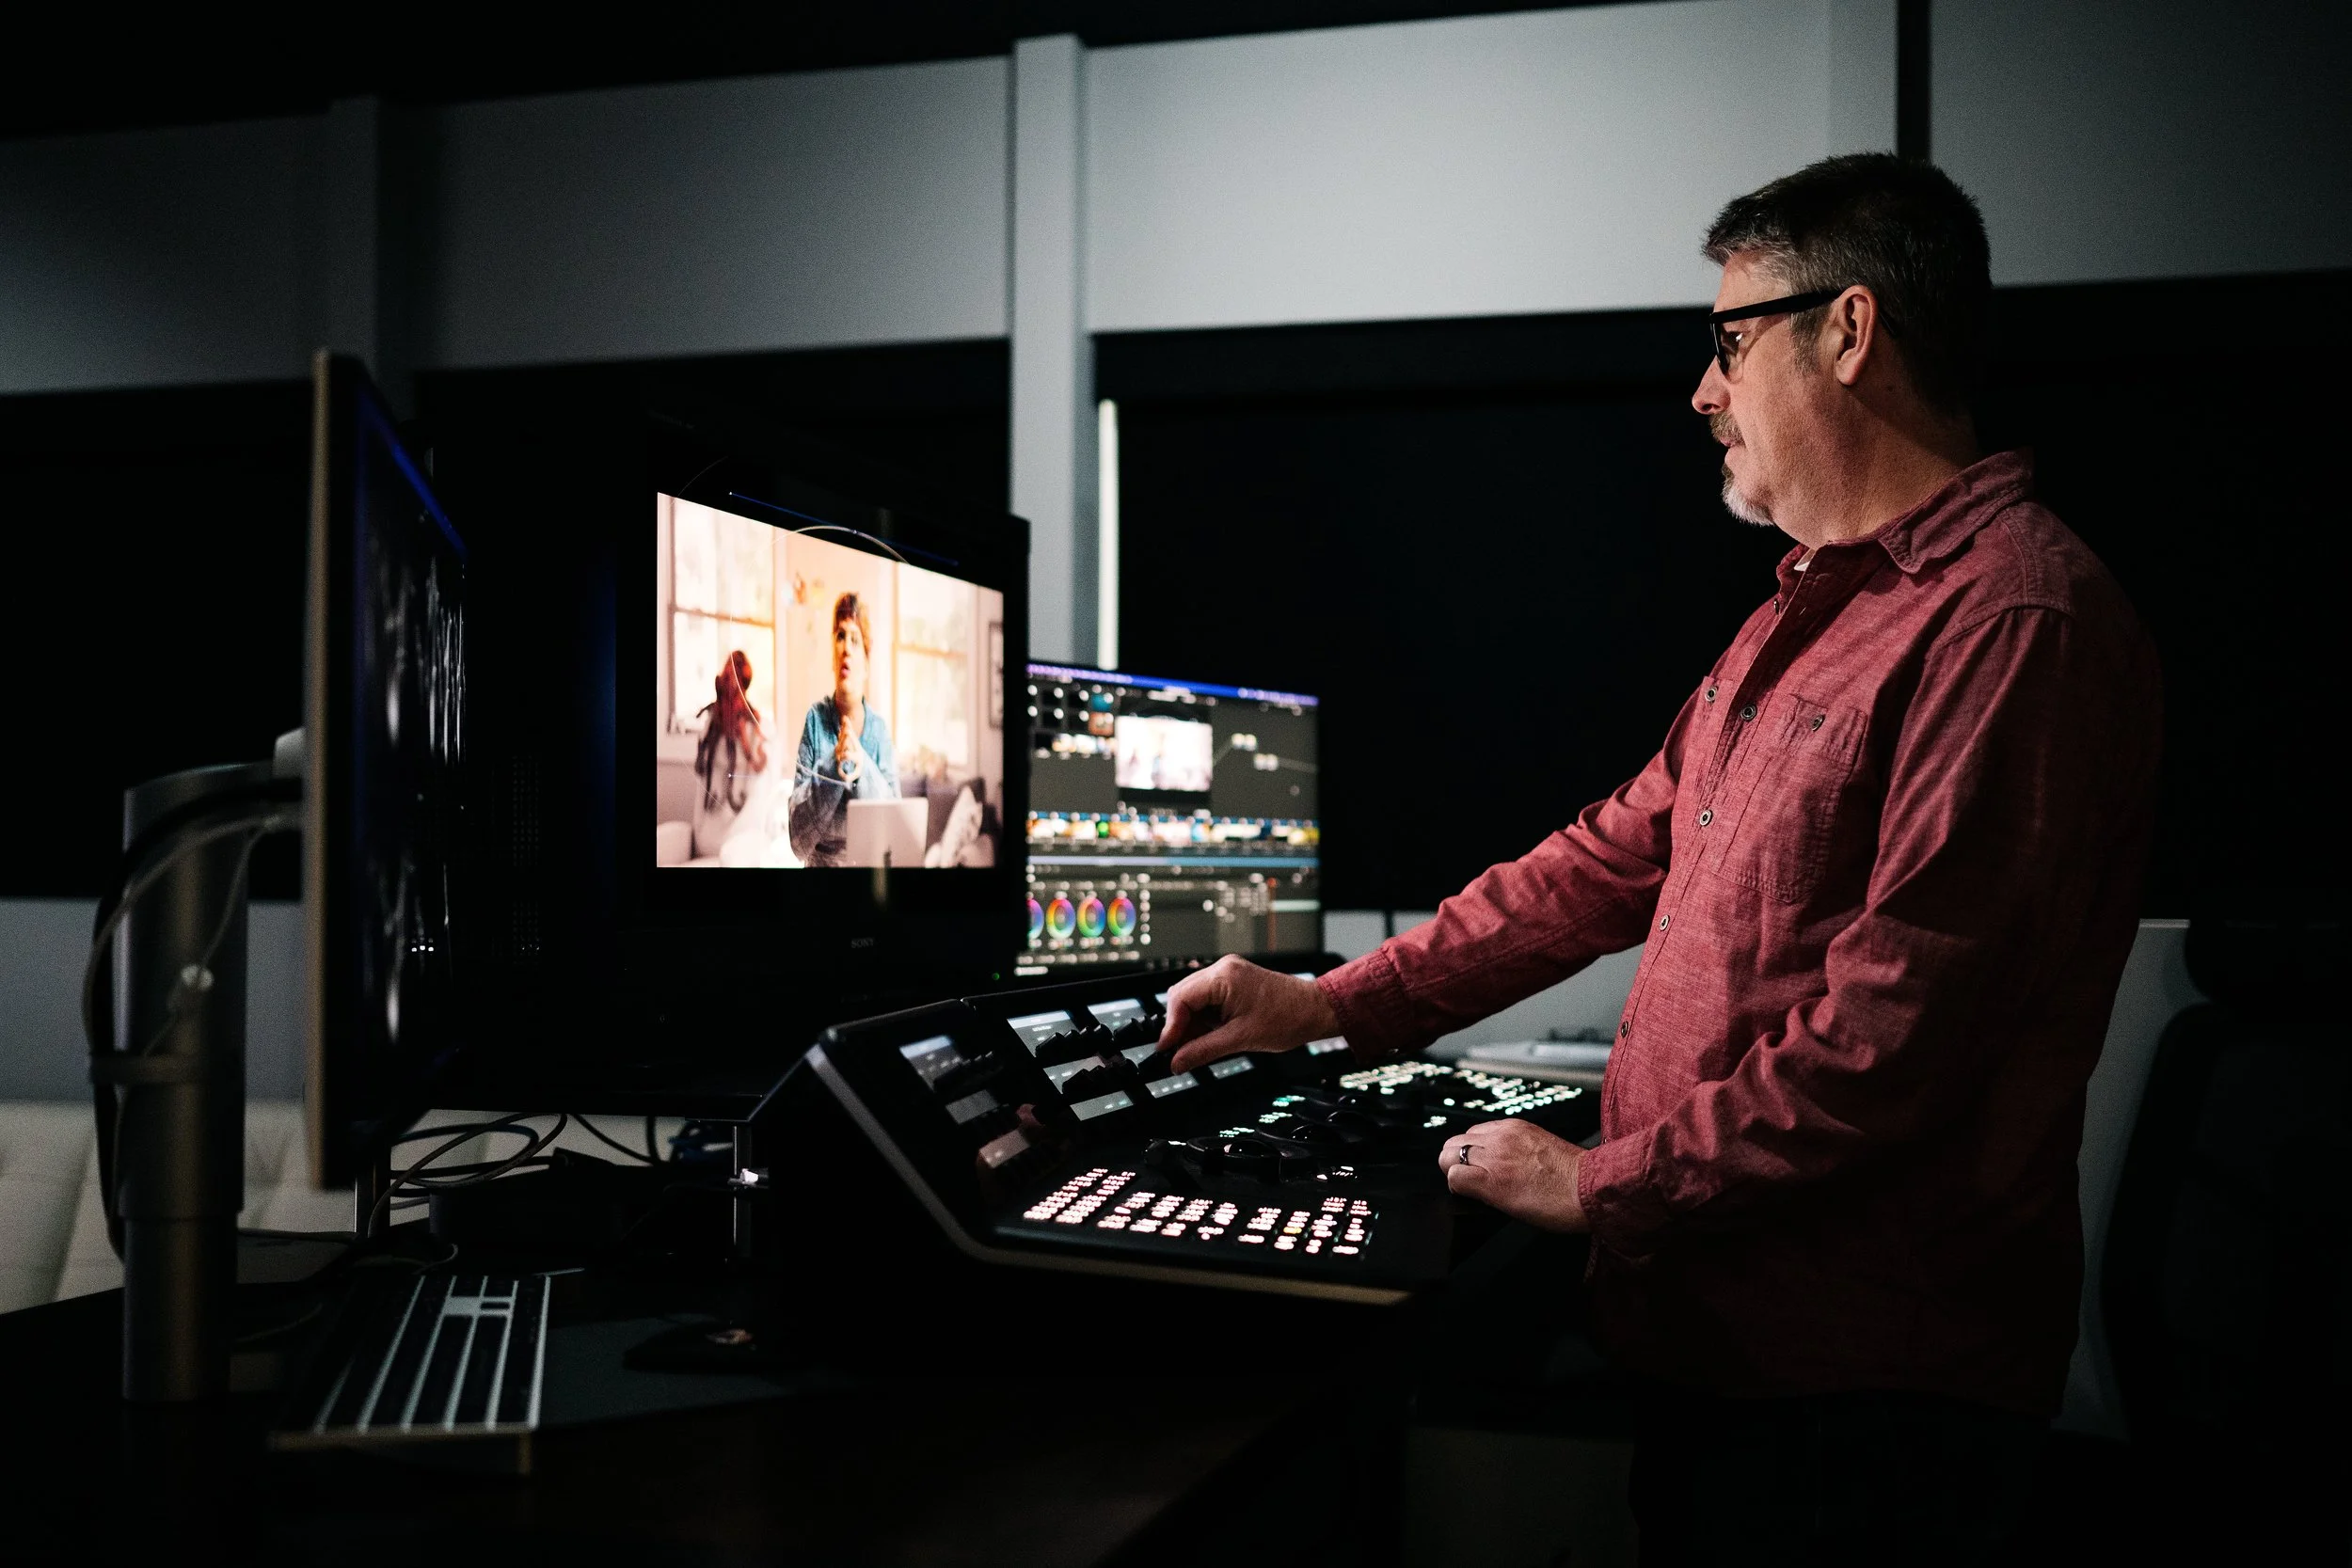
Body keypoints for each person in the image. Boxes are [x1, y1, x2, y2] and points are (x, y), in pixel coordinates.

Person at [1156, 154, 2162, 1563]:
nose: (1703, 392)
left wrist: (1595, 1183)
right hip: (1716, 1347)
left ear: (1851, 332)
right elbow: (1598, 861)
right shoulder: (1794, 619)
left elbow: (1893, 1041)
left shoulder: (2014, 623)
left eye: (1730, 341)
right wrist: (1328, 1002)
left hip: (1861, 1398)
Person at [788, 591, 899, 866]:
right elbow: (797, 842)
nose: (846, 648)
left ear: (867, 661)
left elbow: (896, 831)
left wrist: (862, 766)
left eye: (855, 639)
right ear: (833, 653)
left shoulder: (880, 732)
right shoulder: (815, 720)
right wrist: (833, 764)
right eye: (840, 636)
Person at [690, 649, 782, 862]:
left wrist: (747, 742)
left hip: (738, 835)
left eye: (735, 680)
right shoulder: (710, 729)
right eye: (727, 679)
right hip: (709, 835)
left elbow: (762, 768)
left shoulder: (757, 728)